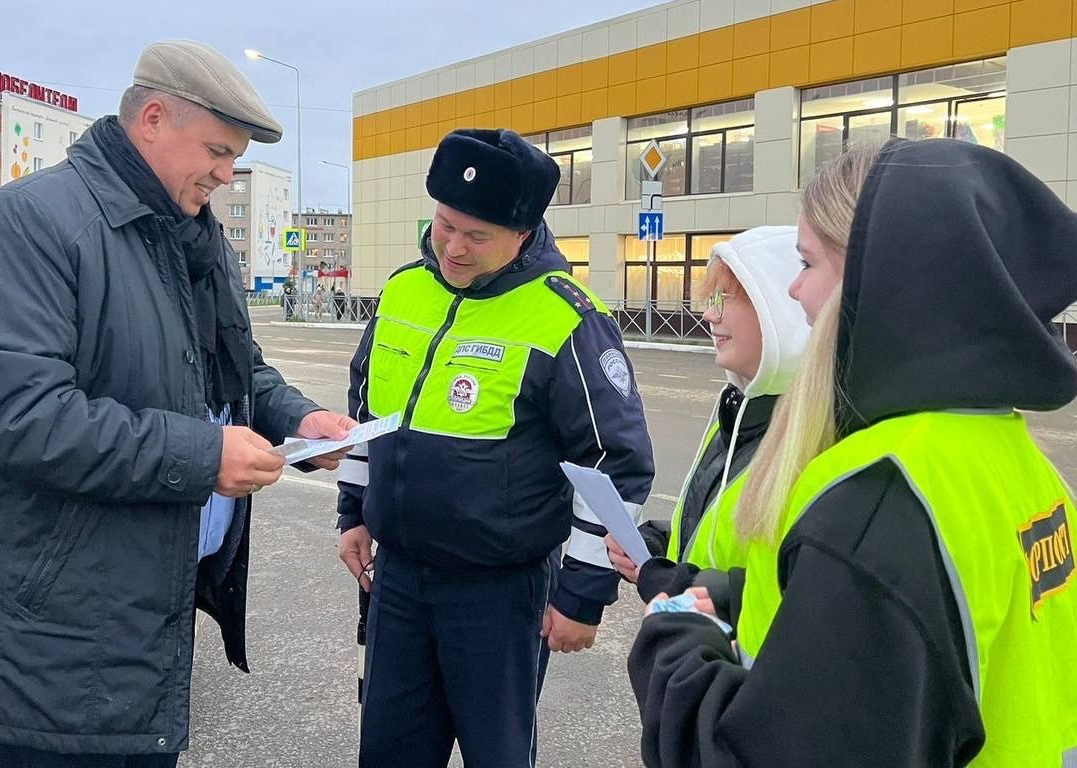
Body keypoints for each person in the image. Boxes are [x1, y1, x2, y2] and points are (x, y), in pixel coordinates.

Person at [0, 39, 356, 767]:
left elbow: (234, 369)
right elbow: (11, 418)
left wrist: (298, 419)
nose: (225, 172)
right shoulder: (28, 225)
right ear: (152, 118)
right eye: (217, 150)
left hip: (148, 606)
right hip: (54, 628)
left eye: (235, 158)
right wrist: (203, 454)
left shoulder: (195, 238)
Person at [627, 139, 1077, 767]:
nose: (794, 290)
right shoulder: (1015, 460)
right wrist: (749, 595)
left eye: (808, 263)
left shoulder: (879, 497)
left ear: (877, 282)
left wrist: (674, 641)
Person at [337, 128, 656, 768]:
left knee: (497, 755)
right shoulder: (403, 291)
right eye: (445, 225)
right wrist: (352, 510)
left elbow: (614, 461)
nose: (453, 247)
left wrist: (583, 592)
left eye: (475, 236)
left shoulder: (566, 318)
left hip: (498, 596)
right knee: (388, 752)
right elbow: (367, 410)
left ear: (523, 233)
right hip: (398, 580)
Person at [606, 227, 808, 626]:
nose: (708, 314)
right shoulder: (736, 414)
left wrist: (676, 582)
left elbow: (793, 591)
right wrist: (656, 544)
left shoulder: (812, 435)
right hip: (702, 658)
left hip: (738, 674)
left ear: (778, 308)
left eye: (724, 299)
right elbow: (717, 534)